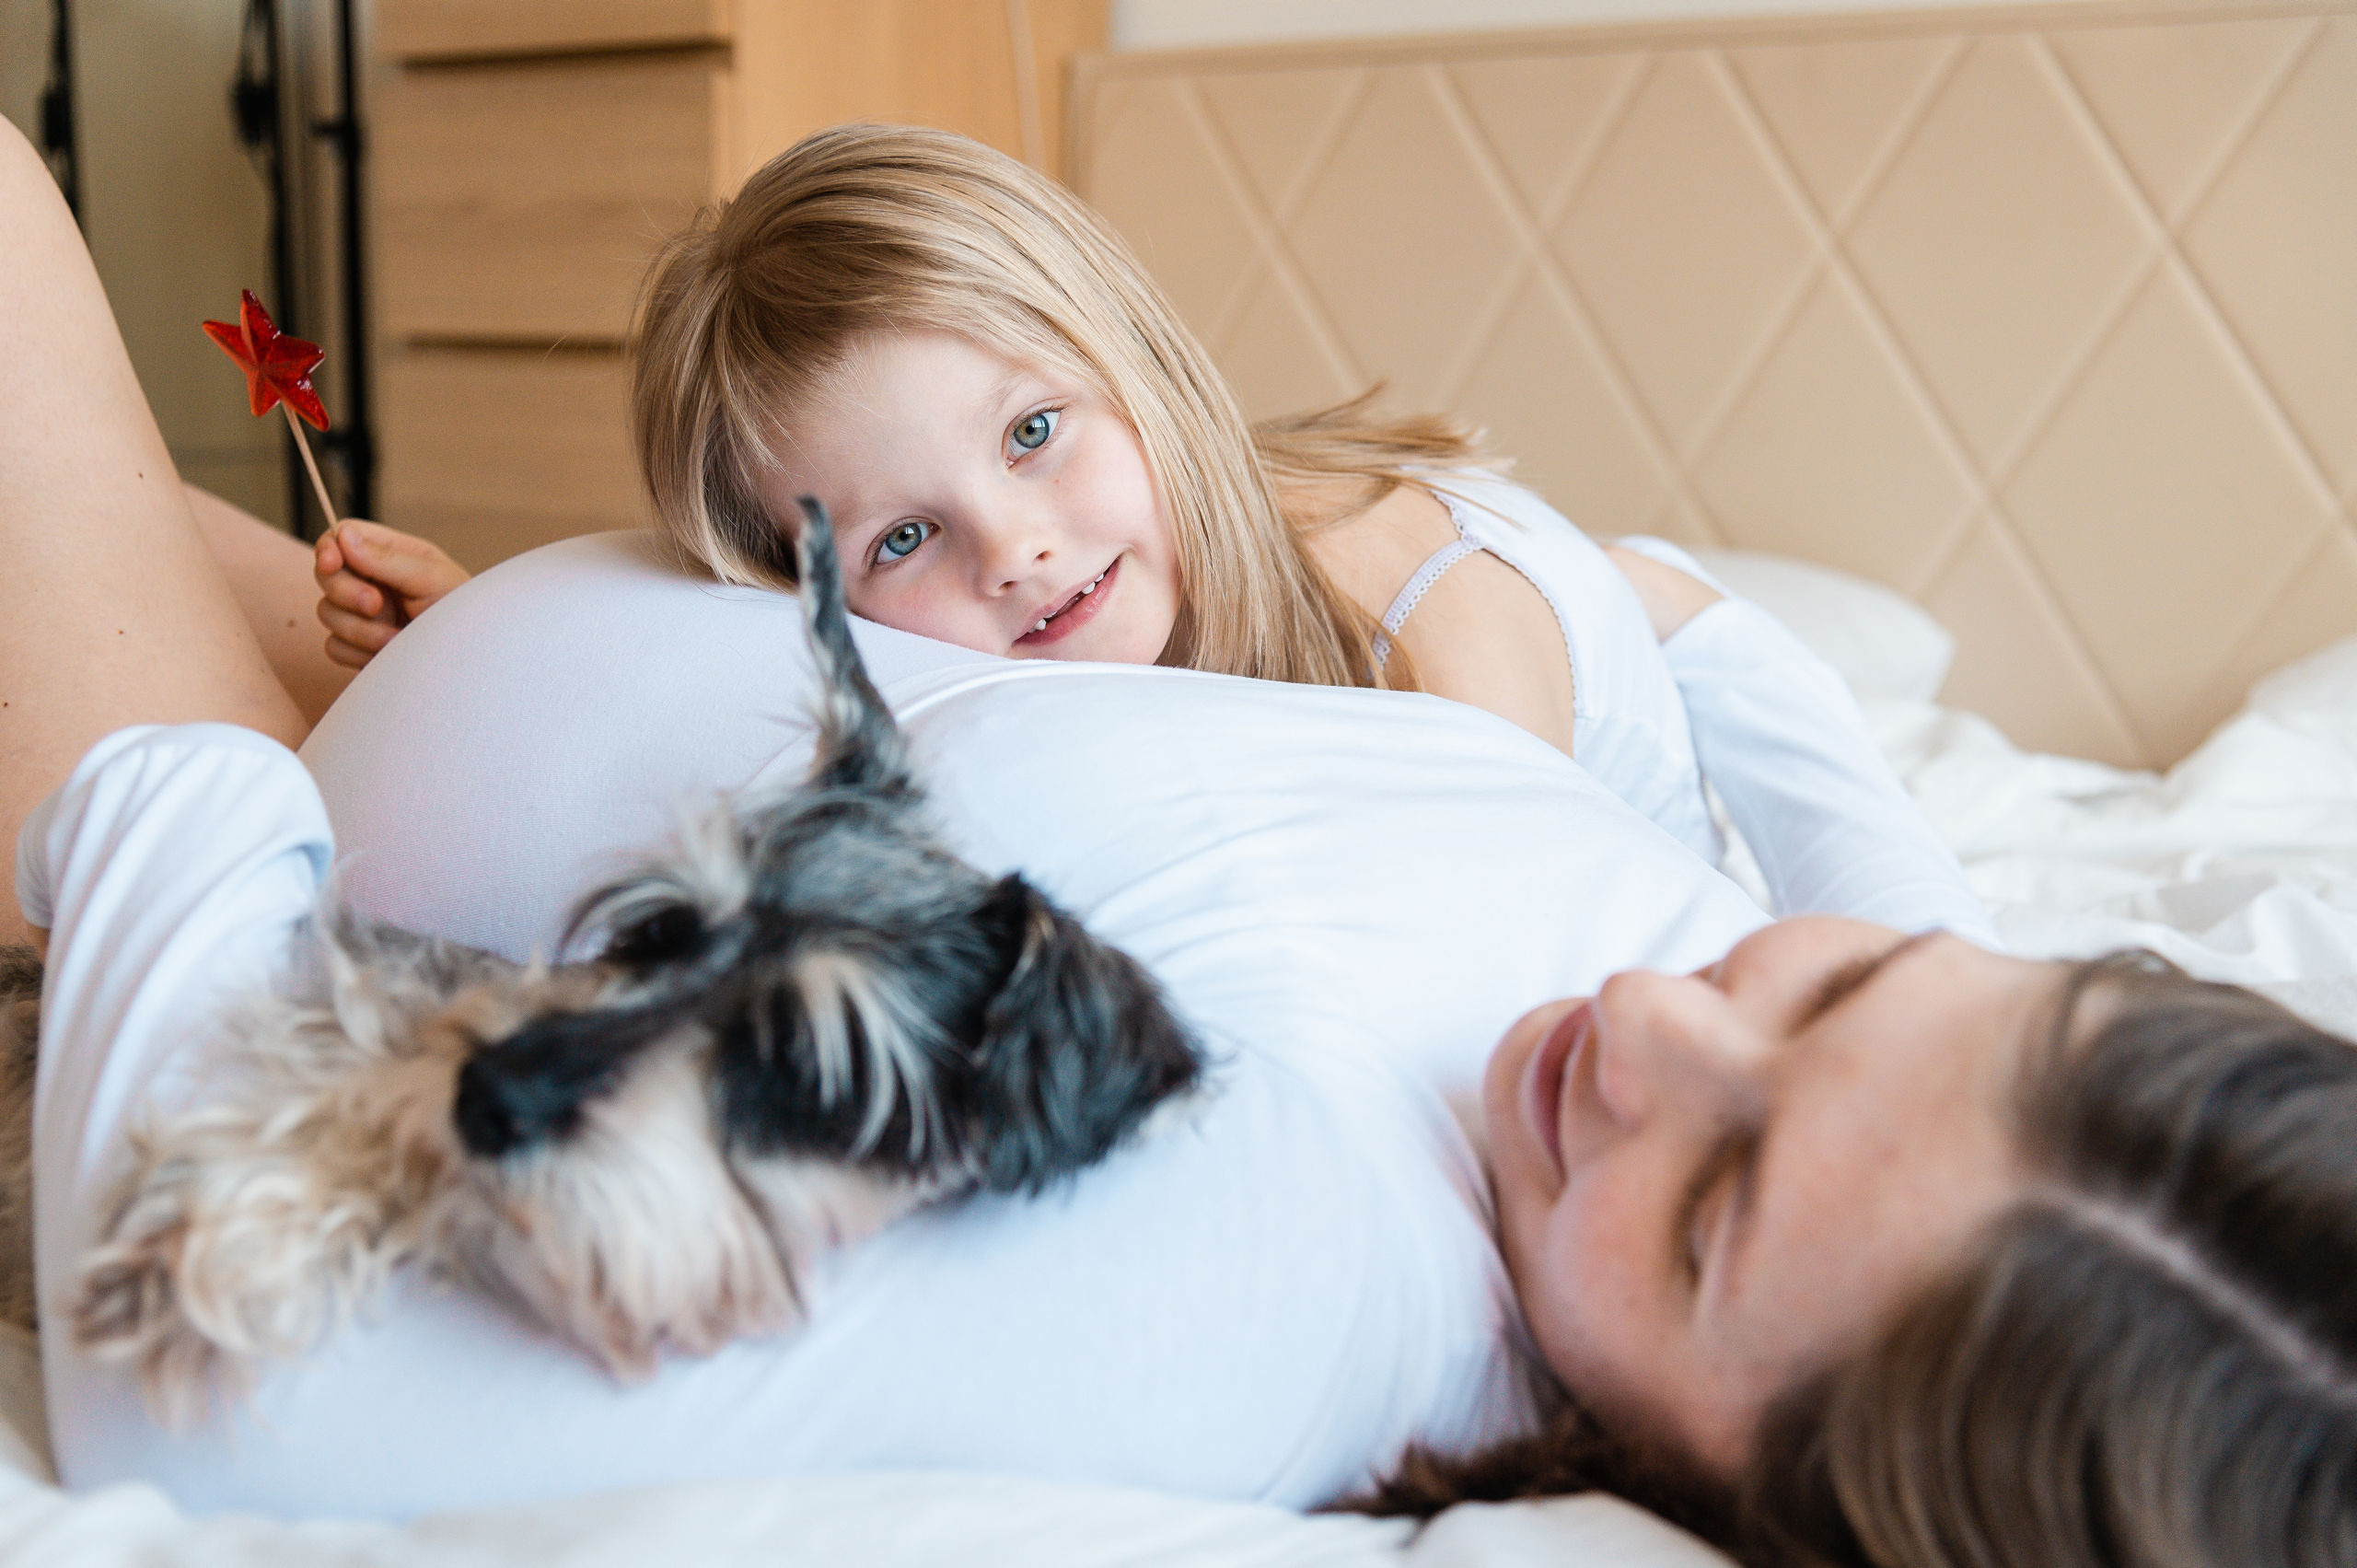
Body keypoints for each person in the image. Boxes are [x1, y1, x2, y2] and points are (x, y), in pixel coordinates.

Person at [10, 115, 2351, 1567]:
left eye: (1715, 1210)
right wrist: (1890, 918)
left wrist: (171, 803)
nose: (1645, 1020)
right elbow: (1683, 613)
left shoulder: (1320, 1250)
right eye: (1830, 994)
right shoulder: (1419, 642)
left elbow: (221, 1395)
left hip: (230, 826)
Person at [272, 124, 1983, 939]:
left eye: (1034, 433)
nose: (1009, 548)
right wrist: (489, 638)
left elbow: (1543, 949)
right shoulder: (999, 615)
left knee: (1916, 965)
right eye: (894, 543)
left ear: (1135, 357)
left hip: (1649, 633)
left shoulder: (1442, 657)